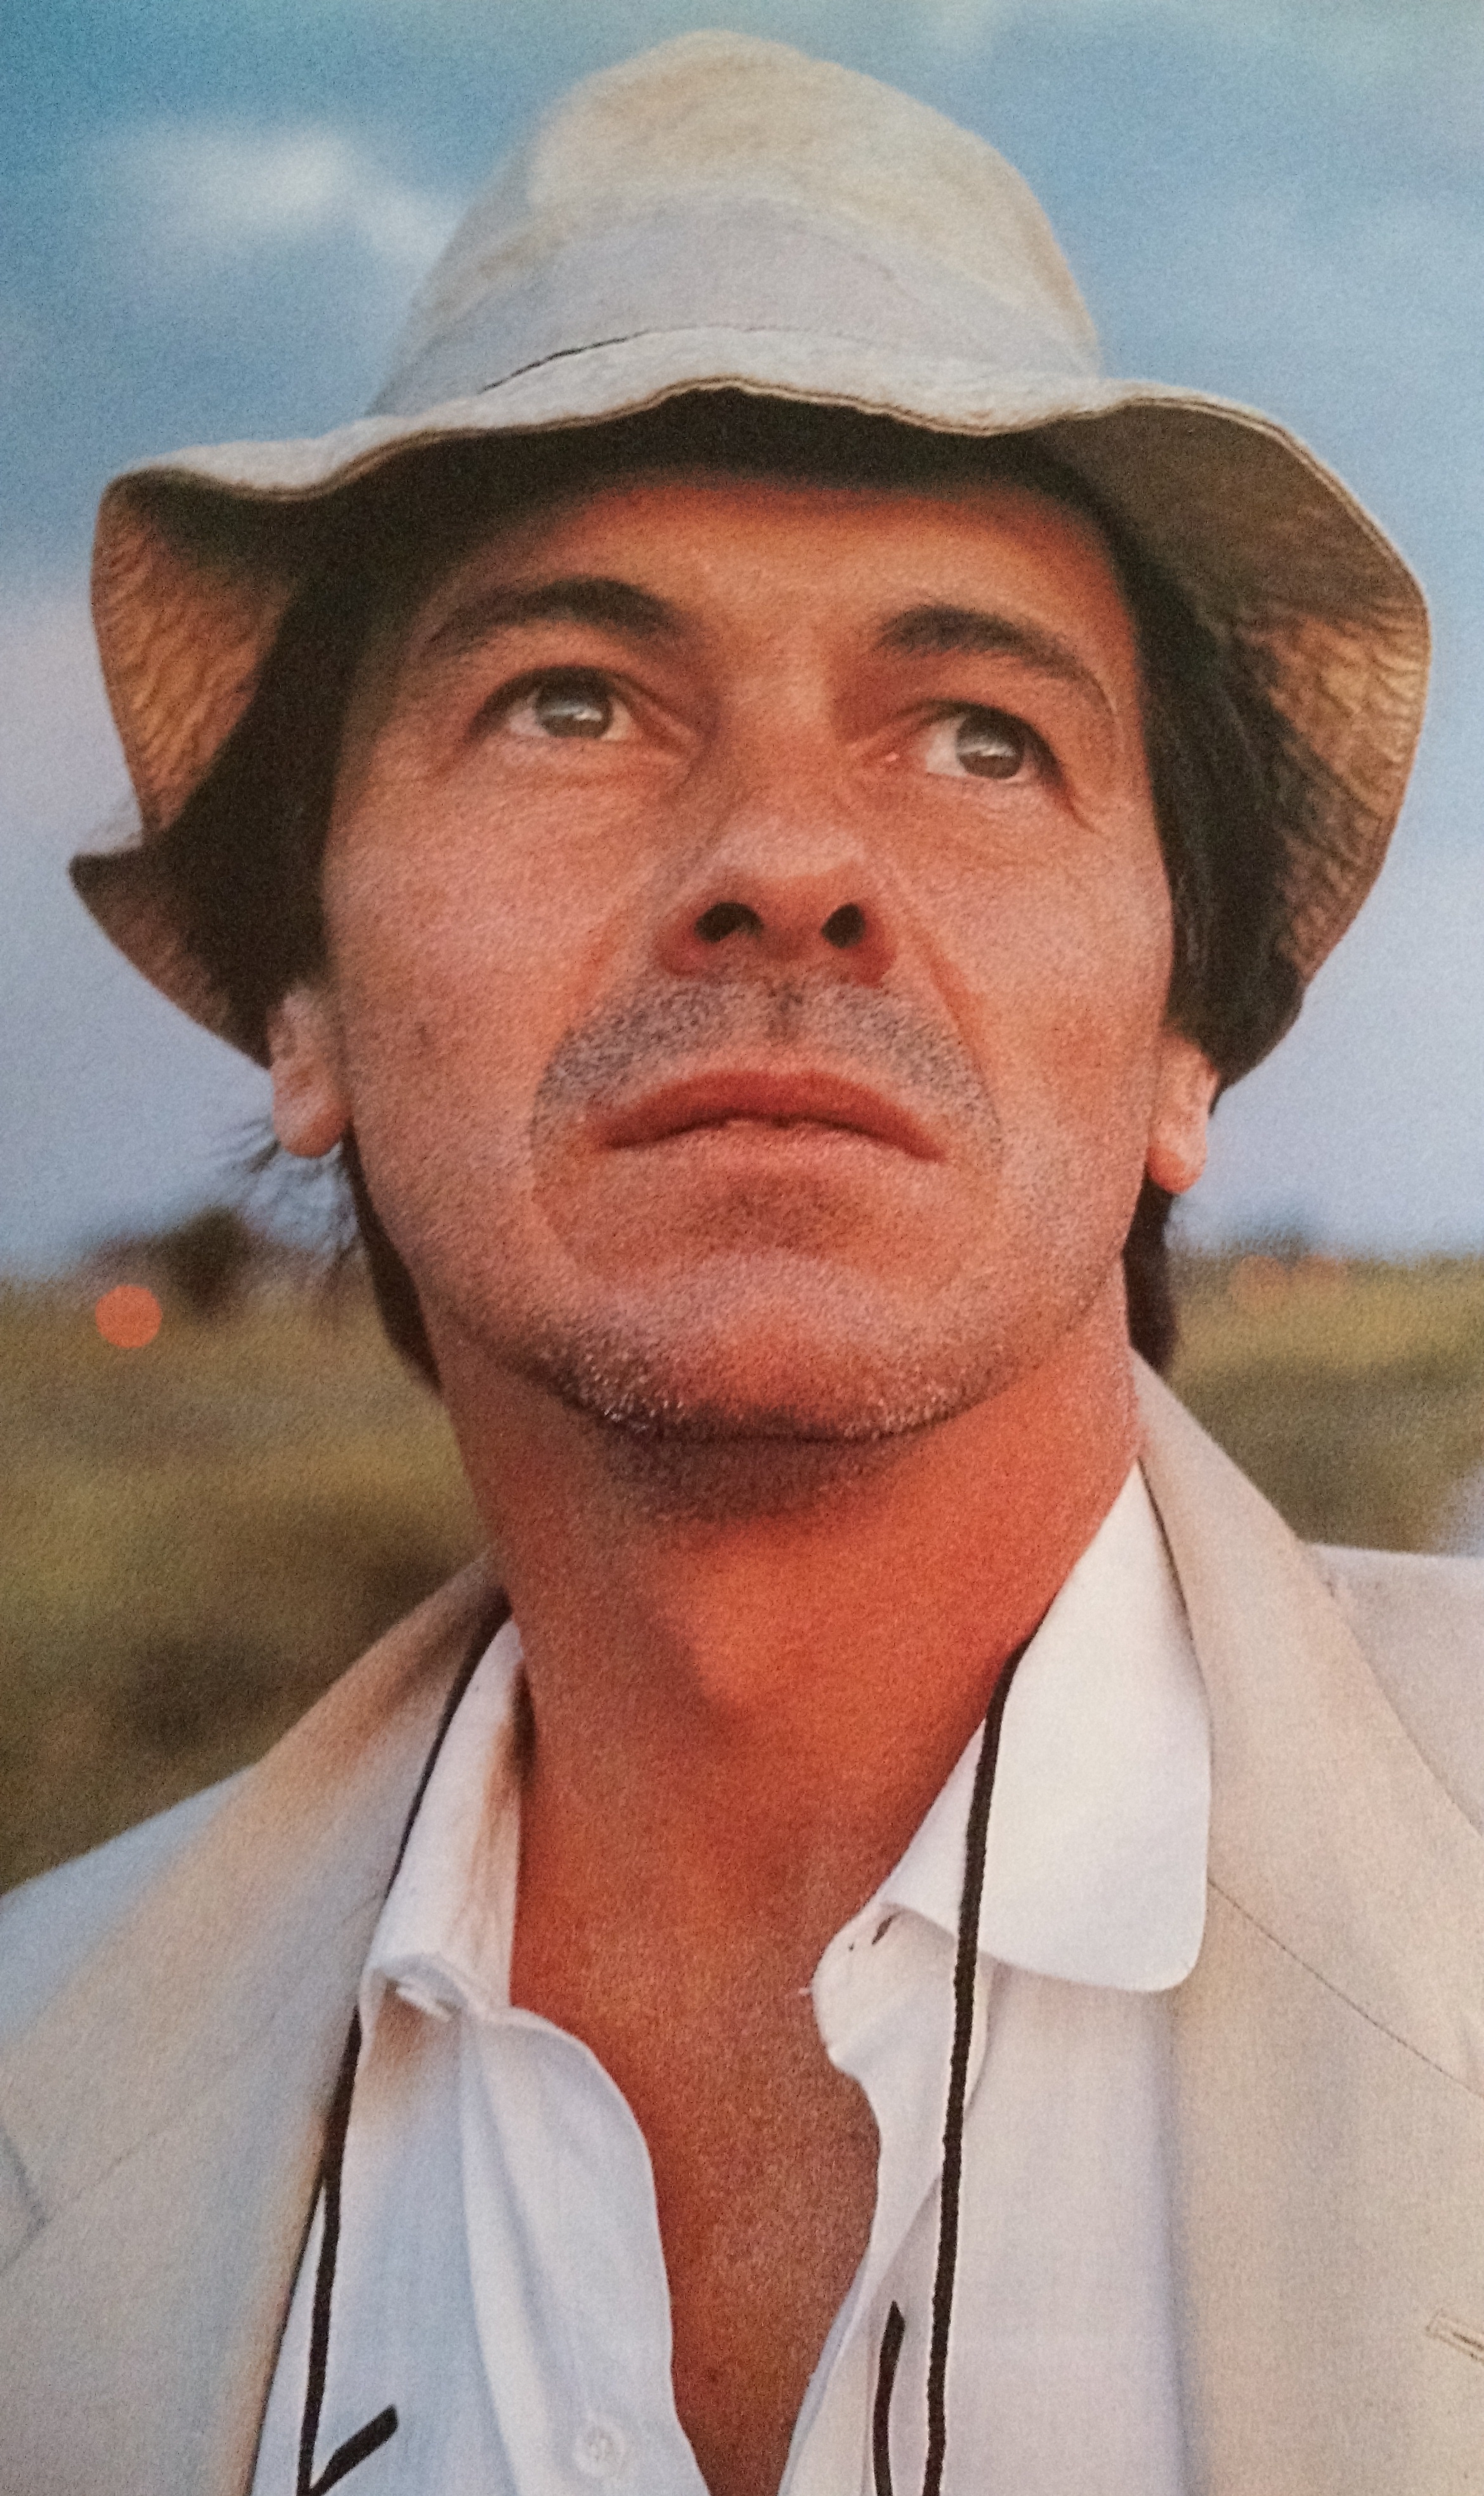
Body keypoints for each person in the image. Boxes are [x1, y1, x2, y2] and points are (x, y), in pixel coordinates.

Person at [3, 32, 1482, 2496]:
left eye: (982, 735)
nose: (787, 859)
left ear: (1180, 1050)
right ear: (305, 1006)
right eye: (569, 701)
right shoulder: (40, 2096)